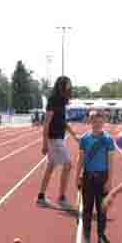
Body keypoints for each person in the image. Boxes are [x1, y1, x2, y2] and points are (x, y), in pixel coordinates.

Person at [37, 76, 77, 210]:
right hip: (54, 138)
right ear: (62, 85)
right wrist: (44, 143)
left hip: (58, 137)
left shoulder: (62, 101)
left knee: (50, 167)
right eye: (68, 84)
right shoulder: (53, 100)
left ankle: (41, 197)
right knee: (68, 165)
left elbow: (63, 122)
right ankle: (61, 198)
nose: (70, 87)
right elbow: (47, 122)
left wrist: (74, 135)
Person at [77, 111, 115, 243]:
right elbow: (80, 159)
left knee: (102, 209)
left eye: (100, 122)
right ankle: (86, 236)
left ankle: (101, 235)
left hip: (102, 177)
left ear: (103, 122)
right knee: (87, 209)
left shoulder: (108, 139)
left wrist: (109, 181)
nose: (97, 124)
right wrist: (77, 176)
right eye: (94, 121)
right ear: (90, 122)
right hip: (88, 177)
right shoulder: (84, 139)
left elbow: (110, 161)